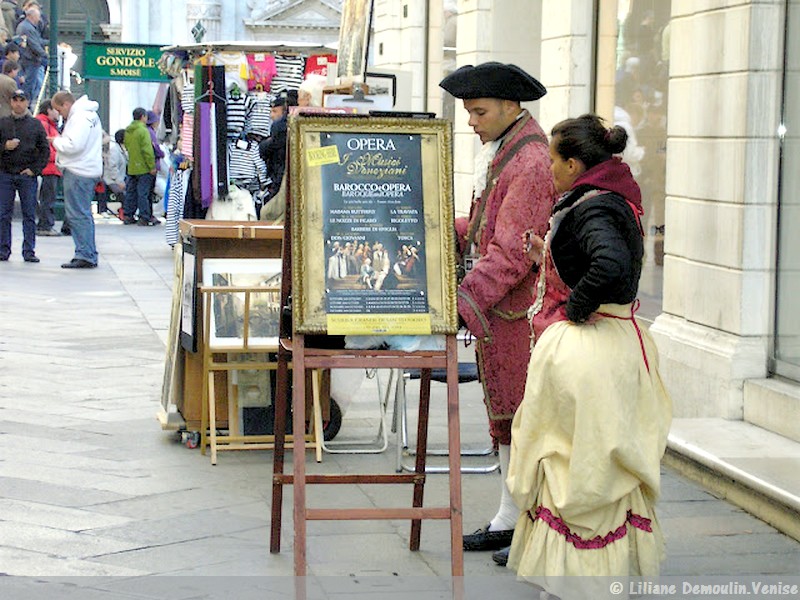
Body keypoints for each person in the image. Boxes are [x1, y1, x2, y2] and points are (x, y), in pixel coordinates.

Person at [504, 115, 672, 596]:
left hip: (592, 351)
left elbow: (611, 264)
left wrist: (576, 308)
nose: (549, 169)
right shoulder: (609, 196)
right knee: (592, 459)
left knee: (580, 464)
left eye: (554, 160)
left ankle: (581, 581)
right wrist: (551, 257)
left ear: (575, 163)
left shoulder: (595, 207)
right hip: (612, 345)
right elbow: (601, 258)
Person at [438, 62, 558, 553]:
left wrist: (458, 303)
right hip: (506, 315)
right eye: (468, 111)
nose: (471, 120)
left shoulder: (528, 162)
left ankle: (534, 524)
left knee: (528, 418)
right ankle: (512, 516)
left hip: (520, 316)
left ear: (511, 106)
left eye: (478, 111)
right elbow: (492, 224)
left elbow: (510, 252)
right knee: (507, 416)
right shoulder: (507, 151)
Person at [51, 90, 103, 269]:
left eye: (59, 110)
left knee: (77, 214)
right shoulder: (90, 115)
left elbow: (74, 145)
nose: (60, 115)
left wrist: (56, 141)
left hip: (78, 170)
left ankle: (85, 253)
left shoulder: (79, 118)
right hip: (87, 169)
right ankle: (87, 251)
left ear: (66, 104)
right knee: (82, 213)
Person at [0, 88, 48, 262]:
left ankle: (29, 250)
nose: (18, 104)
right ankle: (3, 250)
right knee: (3, 214)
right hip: (5, 174)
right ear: (11, 102)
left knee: (29, 214)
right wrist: (5, 146)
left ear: (27, 102)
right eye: (15, 100)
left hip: (26, 175)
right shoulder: (3, 123)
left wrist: (34, 170)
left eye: (22, 100)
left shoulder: (35, 125)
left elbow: (44, 150)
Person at [258, 90, 297, 200]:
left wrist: (264, 145)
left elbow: (271, 146)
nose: (271, 115)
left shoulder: (279, 126)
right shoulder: (277, 126)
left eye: (275, 111)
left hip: (281, 173)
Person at [123, 107, 157, 226]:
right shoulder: (143, 131)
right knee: (143, 192)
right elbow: (147, 150)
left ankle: (128, 215)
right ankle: (144, 216)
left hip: (132, 166)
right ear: (143, 117)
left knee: (131, 192)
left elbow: (126, 146)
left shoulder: (128, 130)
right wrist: (152, 166)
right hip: (144, 167)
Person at [33, 98, 61, 235]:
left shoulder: (47, 124)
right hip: (49, 167)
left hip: (50, 166)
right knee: (48, 197)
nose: (59, 113)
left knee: (48, 197)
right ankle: (45, 225)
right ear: (49, 110)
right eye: (56, 109)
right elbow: (44, 147)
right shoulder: (44, 125)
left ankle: (45, 224)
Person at [14, 6, 44, 103]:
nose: (39, 19)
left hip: (26, 59)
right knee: (29, 86)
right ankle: (27, 103)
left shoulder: (24, 26)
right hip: (30, 60)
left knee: (28, 84)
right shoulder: (28, 28)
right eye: (38, 17)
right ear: (32, 16)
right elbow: (34, 44)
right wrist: (46, 55)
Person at [103, 128, 127, 207]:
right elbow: (112, 167)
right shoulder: (114, 151)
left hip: (121, 179)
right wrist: (119, 182)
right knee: (124, 194)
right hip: (111, 180)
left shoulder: (124, 150)